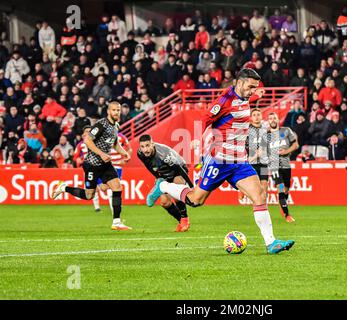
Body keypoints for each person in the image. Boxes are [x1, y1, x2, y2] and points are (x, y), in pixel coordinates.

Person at [146, 68, 295, 254]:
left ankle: (271, 243)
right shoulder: (225, 100)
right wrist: (197, 139)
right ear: (239, 83)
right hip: (219, 160)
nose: (252, 91)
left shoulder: (246, 97)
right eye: (250, 87)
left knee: (260, 195)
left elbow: (247, 101)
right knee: (195, 200)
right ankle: (163, 186)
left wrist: (256, 96)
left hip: (240, 161)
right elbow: (204, 119)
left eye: (255, 88)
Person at [52, 102, 132, 230]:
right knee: (89, 195)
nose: (117, 112)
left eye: (118, 110)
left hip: (105, 164)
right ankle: (64, 188)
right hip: (92, 165)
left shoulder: (115, 126)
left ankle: (116, 222)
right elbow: (87, 140)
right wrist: (101, 154)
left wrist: (124, 153)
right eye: (114, 110)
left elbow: (115, 143)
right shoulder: (101, 124)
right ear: (108, 111)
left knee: (117, 188)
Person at [138, 134, 192, 232]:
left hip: (178, 170)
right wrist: (158, 178)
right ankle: (181, 221)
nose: (145, 149)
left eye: (147, 145)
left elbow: (179, 169)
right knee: (164, 202)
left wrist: (191, 185)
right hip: (164, 175)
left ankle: (185, 219)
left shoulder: (164, 155)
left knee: (176, 193)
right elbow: (150, 166)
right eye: (142, 146)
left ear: (152, 144)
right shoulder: (140, 154)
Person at [267, 112, 299, 222]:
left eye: (274, 118)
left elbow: (295, 145)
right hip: (274, 166)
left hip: (286, 165)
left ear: (277, 119)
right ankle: (287, 215)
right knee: (280, 188)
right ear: (268, 121)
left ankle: (283, 203)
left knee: (286, 189)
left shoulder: (286, 130)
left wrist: (286, 151)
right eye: (270, 118)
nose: (272, 120)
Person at [246, 109, 269, 201]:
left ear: (261, 116)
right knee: (255, 189)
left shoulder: (266, 130)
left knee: (264, 188)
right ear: (251, 117)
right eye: (254, 115)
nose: (256, 117)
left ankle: (263, 210)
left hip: (263, 164)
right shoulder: (247, 131)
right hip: (252, 163)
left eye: (258, 114)